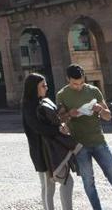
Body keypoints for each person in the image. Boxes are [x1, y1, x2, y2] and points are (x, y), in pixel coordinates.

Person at [57, 64, 112, 210]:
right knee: (88, 182)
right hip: (79, 146)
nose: (78, 86)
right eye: (74, 84)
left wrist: (100, 109)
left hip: (99, 142)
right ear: (67, 79)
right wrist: (69, 115)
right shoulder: (62, 95)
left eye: (81, 82)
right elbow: (60, 119)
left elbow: (108, 116)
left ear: (84, 78)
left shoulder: (94, 90)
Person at [22, 73, 81, 210]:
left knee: (60, 183)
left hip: (53, 149)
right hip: (41, 152)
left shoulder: (43, 102)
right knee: (50, 186)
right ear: (34, 88)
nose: (46, 88)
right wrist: (58, 129)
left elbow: (52, 122)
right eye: (43, 85)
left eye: (46, 85)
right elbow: (37, 127)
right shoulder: (28, 106)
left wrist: (61, 120)